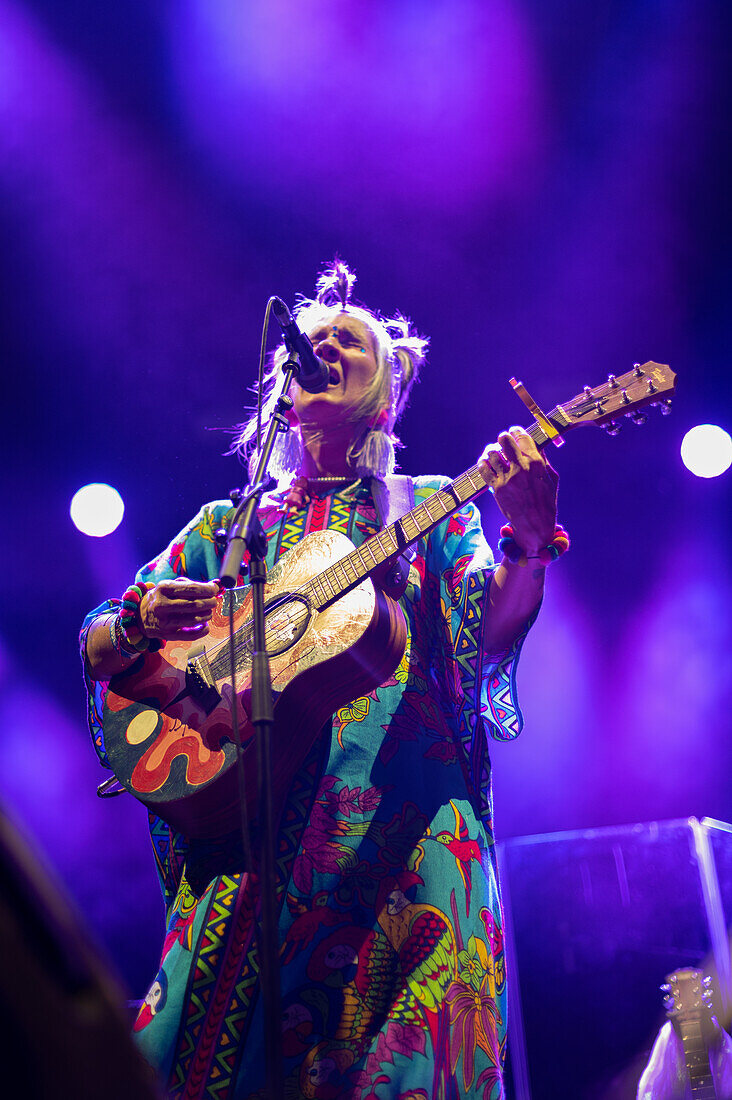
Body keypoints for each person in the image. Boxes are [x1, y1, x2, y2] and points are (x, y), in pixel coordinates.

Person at [81, 260, 561, 1099]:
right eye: (314, 341)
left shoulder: (430, 503)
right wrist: (141, 624)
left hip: (406, 836)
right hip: (254, 838)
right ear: (282, 390)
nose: (326, 346)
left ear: (386, 395)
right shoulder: (224, 530)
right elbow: (100, 645)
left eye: (352, 343)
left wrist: (524, 535)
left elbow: (489, 632)